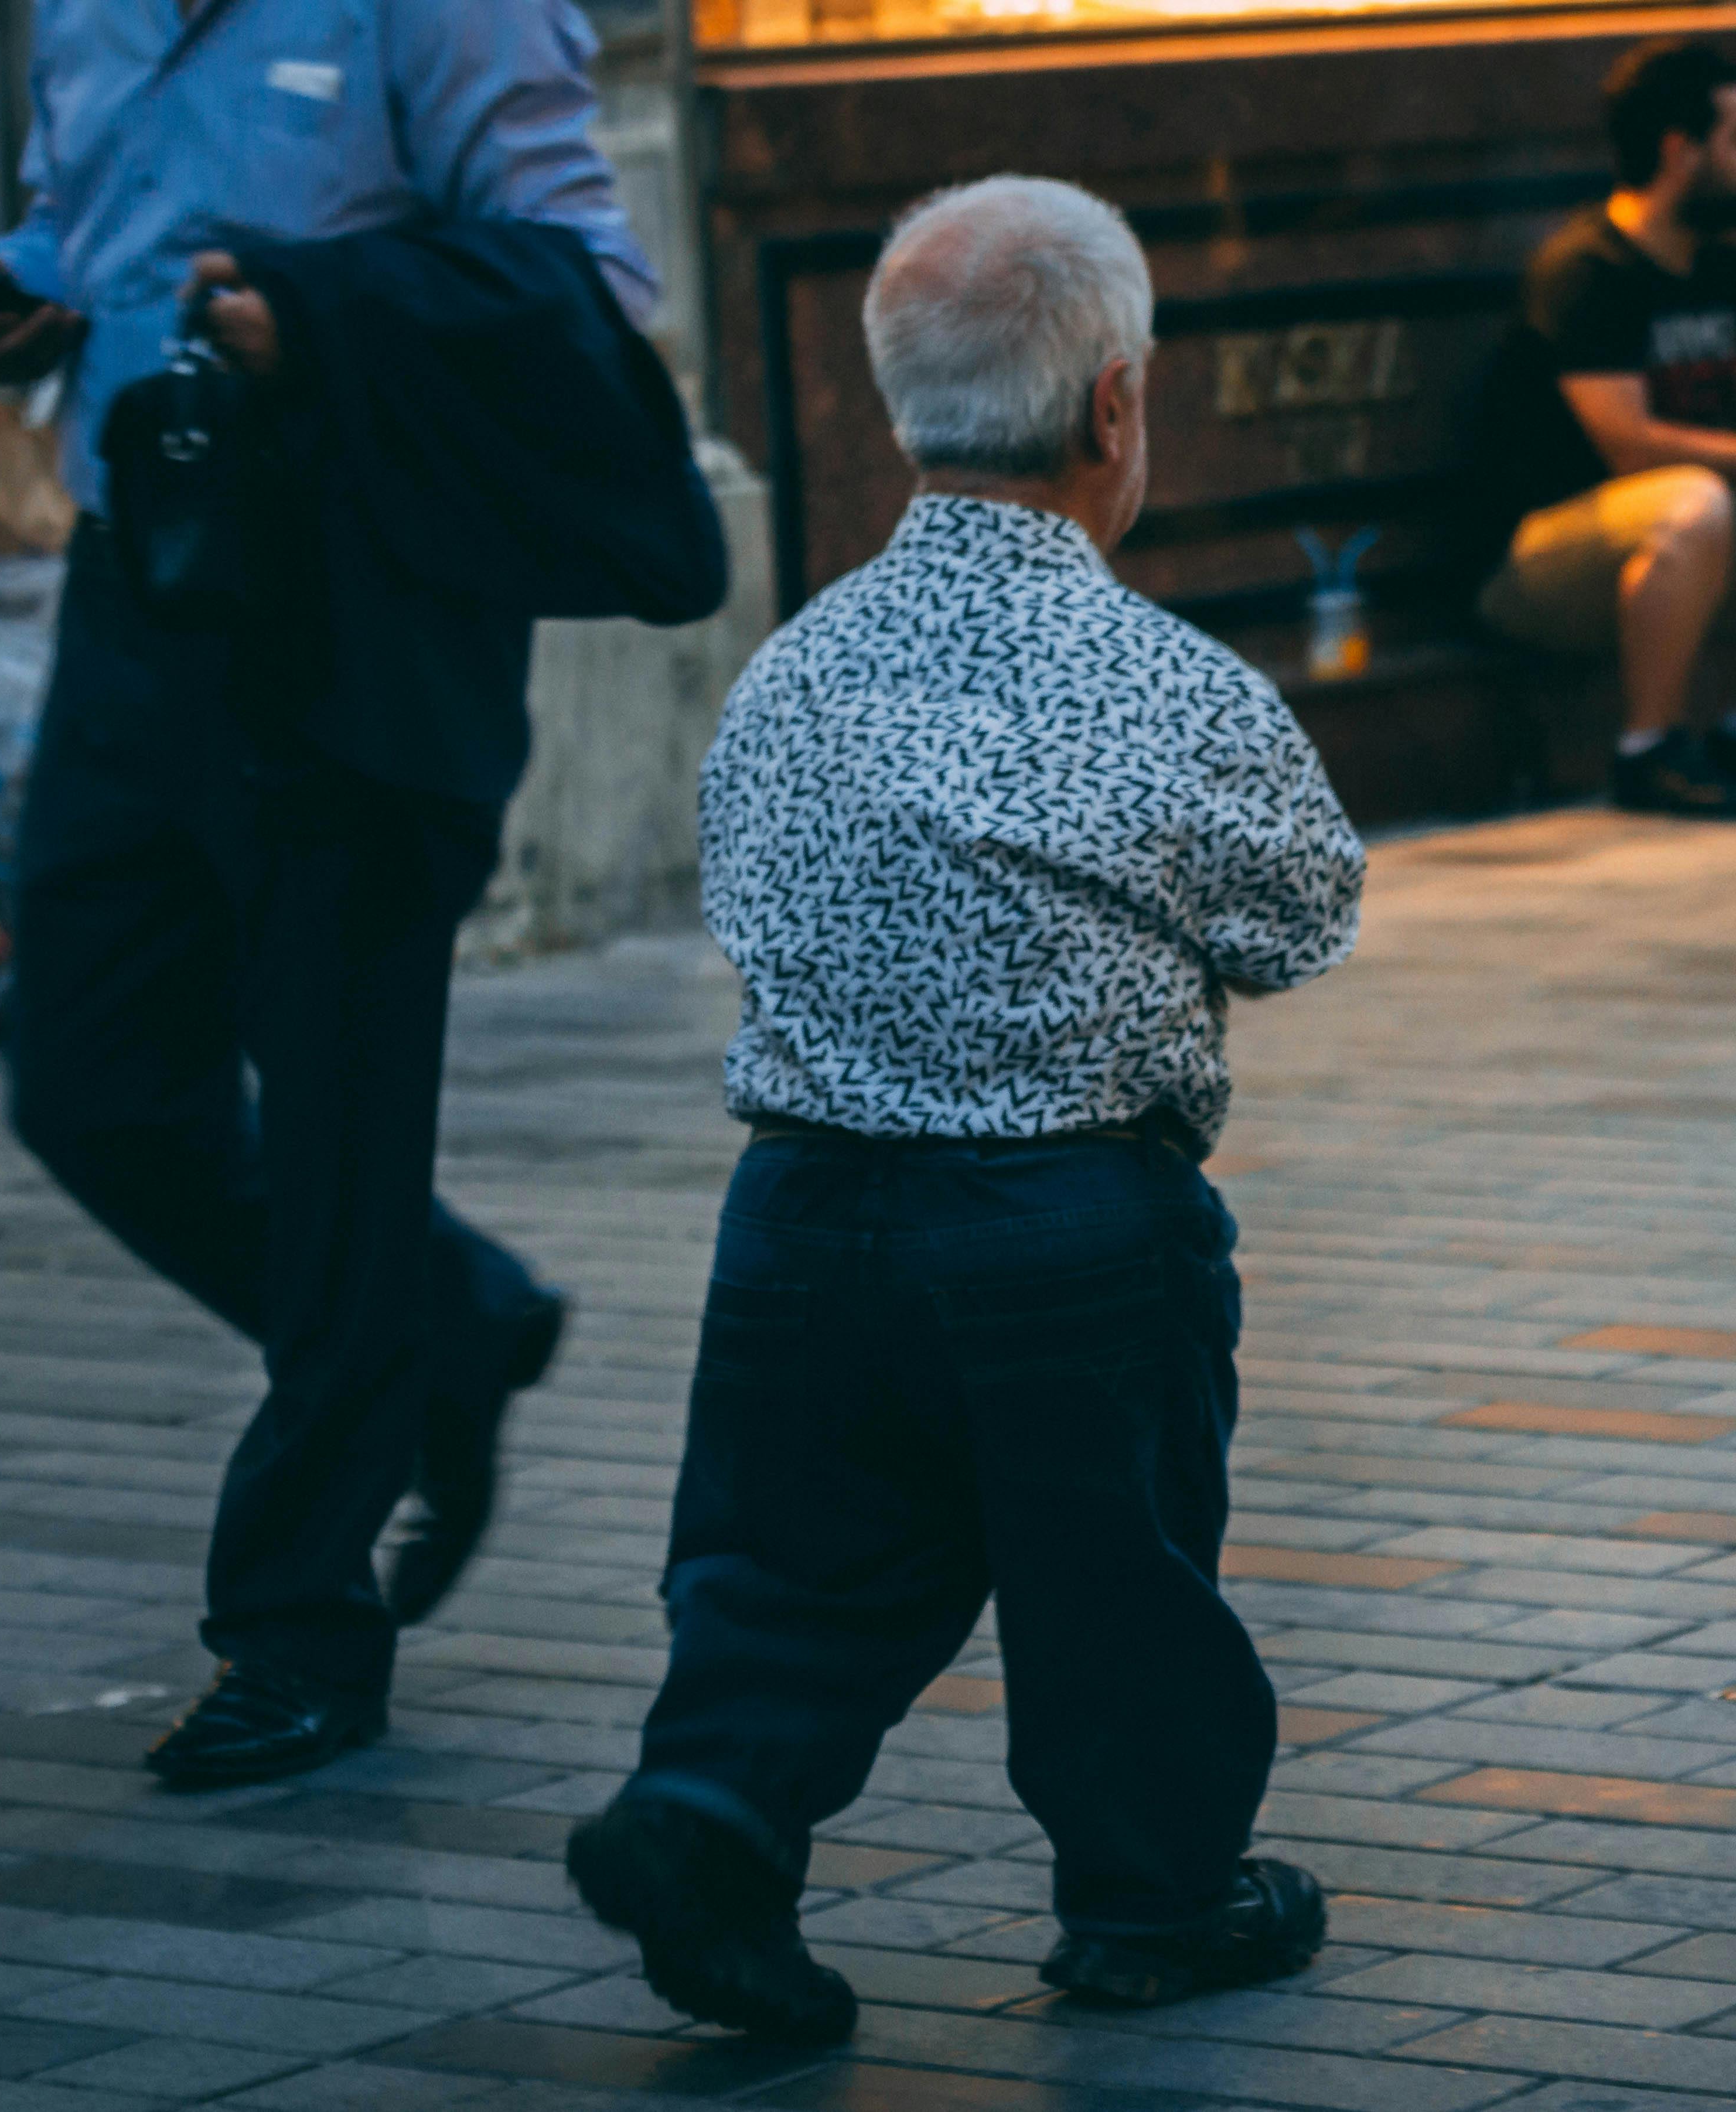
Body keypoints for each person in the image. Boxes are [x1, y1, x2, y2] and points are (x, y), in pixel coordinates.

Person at [565, 177, 1367, 2043]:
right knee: (1114, 1578)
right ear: (1114, 406)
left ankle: (709, 1810)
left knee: (781, 1562)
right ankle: (1150, 1896)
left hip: (799, 1205)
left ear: (893, 404)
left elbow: (746, 892)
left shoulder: (788, 673)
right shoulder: (1170, 684)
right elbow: (1301, 915)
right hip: (1070, 1218)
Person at [0, 0, 684, 1786]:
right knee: (96, 1086)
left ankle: (298, 1627)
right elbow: (90, 221)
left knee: (344, 1125)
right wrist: (36, 288)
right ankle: (451, 1323)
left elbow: (584, 284)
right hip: (140, 575)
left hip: (357, 603)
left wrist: (323, 319)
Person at [1478, 39, 1736, 818]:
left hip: (1690, 536)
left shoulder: (1725, 269)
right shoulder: (1586, 271)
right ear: (1681, 152)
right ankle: (1647, 749)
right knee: (1691, 500)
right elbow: (1629, 445)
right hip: (1542, 563)